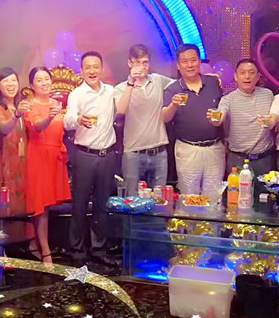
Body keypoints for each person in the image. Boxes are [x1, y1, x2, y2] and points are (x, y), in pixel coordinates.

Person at [64, 51, 119, 266]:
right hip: (84, 155)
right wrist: (78, 119)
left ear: (102, 69)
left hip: (108, 155)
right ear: (81, 71)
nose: (92, 71)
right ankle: (77, 250)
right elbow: (68, 120)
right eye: (88, 67)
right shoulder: (77, 94)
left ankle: (99, 249)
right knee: (79, 204)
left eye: (96, 67)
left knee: (102, 205)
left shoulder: (111, 92)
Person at [162, 45, 225, 197]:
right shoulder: (173, 89)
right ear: (178, 66)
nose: (190, 65)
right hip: (188, 149)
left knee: (214, 196)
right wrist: (173, 105)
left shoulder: (213, 82)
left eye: (193, 60)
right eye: (184, 61)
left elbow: (223, 109)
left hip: (215, 148)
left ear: (199, 62)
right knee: (189, 197)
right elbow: (164, 118)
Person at [25, 67, 71, 265]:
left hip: (55, 156)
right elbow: (36, 127)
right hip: (38, 155)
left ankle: (35, 244)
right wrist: (50, 117)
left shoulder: (56, 103)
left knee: (49, 206)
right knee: (40, 206)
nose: (44, 83)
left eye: (46, 79)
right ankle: (46, 251)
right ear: (32, 85)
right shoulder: (29, 104)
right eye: (39, 80)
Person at [114, 44, 172, 195]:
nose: (141, 67)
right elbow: (121, 110)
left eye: (145, 62)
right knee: (132, 199)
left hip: (159, 151)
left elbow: (180, 85)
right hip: (133, 153)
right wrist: (131, 83)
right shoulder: (121, 88)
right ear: (130, 63)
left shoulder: (158, 80)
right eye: (137, 63)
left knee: (159, 199)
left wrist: (207, 77)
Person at [208, 58, 275, 174]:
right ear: (236, 77)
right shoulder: (228, 99)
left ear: (258, 77)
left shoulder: (268, 95)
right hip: (238, 159)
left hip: (264, 158)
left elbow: (275, 119)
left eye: (251, 72)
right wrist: (215, 119)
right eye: (242, 73)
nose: (247, 76)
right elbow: (219, 117)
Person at [0, 68, 31, 216]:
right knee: (5, 208)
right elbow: (3, 127)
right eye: (6, 81)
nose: (11, 84)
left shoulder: (23, 106)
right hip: (4, 165)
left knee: (22, 210)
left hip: (22, 164)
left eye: (14, 80)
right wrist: (16, 116)